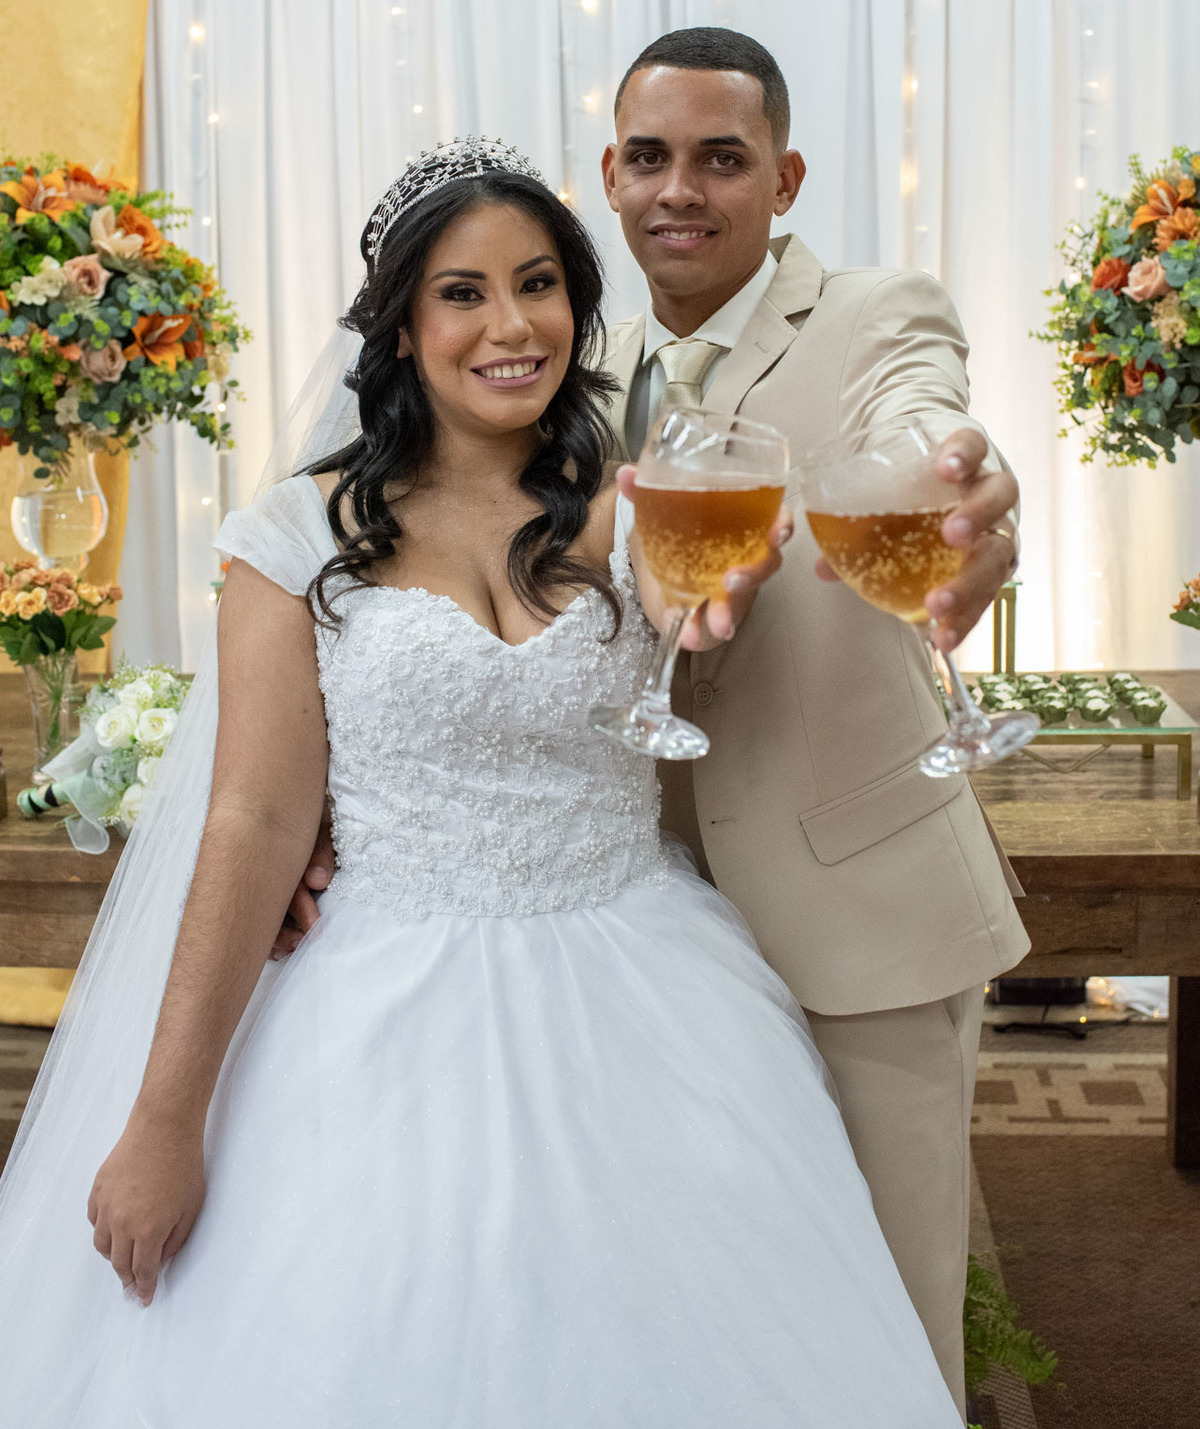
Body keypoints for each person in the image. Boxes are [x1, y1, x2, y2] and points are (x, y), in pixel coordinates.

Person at [0, 138, 962, 1427]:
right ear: (400, 328)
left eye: (540, 284)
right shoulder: (294, 536)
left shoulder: (643, 503)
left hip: (649, 988)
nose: (512, 325)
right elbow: (255, 817)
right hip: (375, 996)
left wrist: (841, 544)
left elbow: (748, 600)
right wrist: (165, 1119)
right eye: (462, 292)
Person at [599, 27, 1032, 1417]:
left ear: (783, 179)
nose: (683, 188)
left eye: (723, 158)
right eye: (652, 157)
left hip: (864, 906)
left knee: (898, 1316)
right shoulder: (576, 360)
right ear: (610, 175)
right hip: (655, 929)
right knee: (725, 1303)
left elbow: (931, 419)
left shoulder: (872, 310)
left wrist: (964, 499)